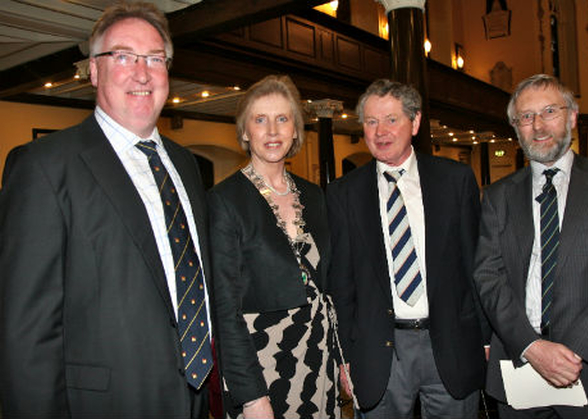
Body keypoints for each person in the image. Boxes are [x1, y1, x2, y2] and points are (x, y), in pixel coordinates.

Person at [0, 3, 270, 418]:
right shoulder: (44, 166)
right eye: (123, 56)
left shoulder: (185, 165)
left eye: (155, 59)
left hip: (195, 400)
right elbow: (25, 334)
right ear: (93, 71)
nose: (142, 73)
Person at [473, 73, 588, 419]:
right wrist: (532, 347)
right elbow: (488, 275)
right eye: (526, 117)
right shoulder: (498, 196)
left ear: (573, 116)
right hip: (521, 370)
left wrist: (569, 353)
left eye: (550, 111)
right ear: (515, 128)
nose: (538, 125)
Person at [326, 79, 489, 418]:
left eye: (391, 119)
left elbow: (477, 265)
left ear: (414, 123)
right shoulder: (343, 193)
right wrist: (345, 356)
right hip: (379, 352)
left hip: (451, 343)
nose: (380, 131)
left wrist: (486, 339)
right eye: (371, 122)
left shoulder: (456, 180)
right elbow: (341, 285)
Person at [208, 75, 339, 418]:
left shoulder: (314, 195)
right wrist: (251, 396)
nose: (272, 131)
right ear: (245, 132)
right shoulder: (224, 201)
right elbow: (225, 309)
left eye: (282, 119)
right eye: (260, 120)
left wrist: (344, 360)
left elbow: (331, 286)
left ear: (296, 130)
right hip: (262, 363)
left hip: (318, 355)